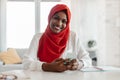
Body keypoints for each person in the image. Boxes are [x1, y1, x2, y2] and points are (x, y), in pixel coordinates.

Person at [23, 4, 92, 72]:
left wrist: (78, 64)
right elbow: (26, 63)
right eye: (56, 18)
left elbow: (87, 60)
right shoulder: (38, 37)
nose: (59, 23)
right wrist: (48, 66)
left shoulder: (72, 36)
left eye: (64, 21)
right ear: (50, 17)